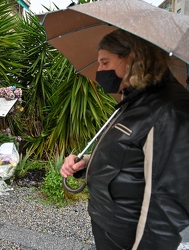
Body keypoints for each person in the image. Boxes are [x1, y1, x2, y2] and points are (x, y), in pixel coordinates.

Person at [60, 29, 189, 250]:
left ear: (131, 58)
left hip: (127, 237)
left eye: (105, 62)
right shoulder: (135, 98)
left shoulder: (167, 108)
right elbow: (132, 155)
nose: (99, 70)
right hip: (110, 224)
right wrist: (87, 162)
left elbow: (167, 201)